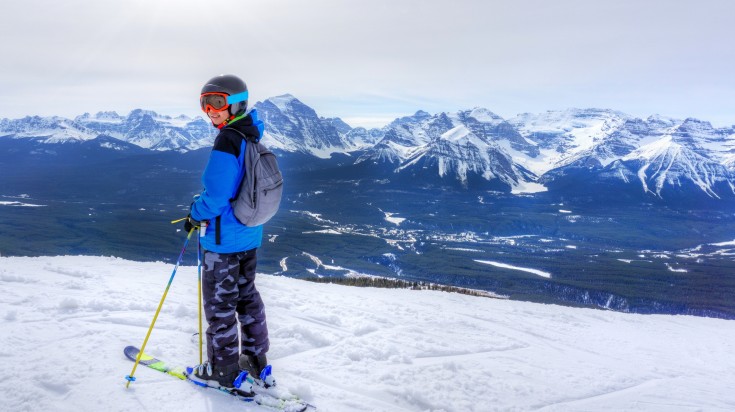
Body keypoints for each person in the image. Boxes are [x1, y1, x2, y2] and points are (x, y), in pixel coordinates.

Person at [185, 74, 271, 390]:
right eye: (205, 103)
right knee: (247, 298)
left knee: (220, 308)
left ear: (236, 103)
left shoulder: (227, 140)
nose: (210, 110)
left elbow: (216, 196)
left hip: (222, 242)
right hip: (249, 236)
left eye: (218, 102)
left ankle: (223, 370)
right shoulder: (251, 135)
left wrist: (194, 213)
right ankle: (256, 360)